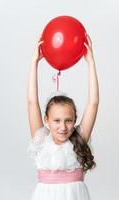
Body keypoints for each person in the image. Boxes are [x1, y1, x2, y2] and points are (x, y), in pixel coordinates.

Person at [27, 34, 99, 200]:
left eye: (68, 121)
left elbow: (93, 103)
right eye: (56, 121)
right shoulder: (42, 141)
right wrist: (34, 63)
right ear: (46, 120)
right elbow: (32, 102)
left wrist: (91, 63)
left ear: (75, 121)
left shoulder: (79, 139)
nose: (63, 127)